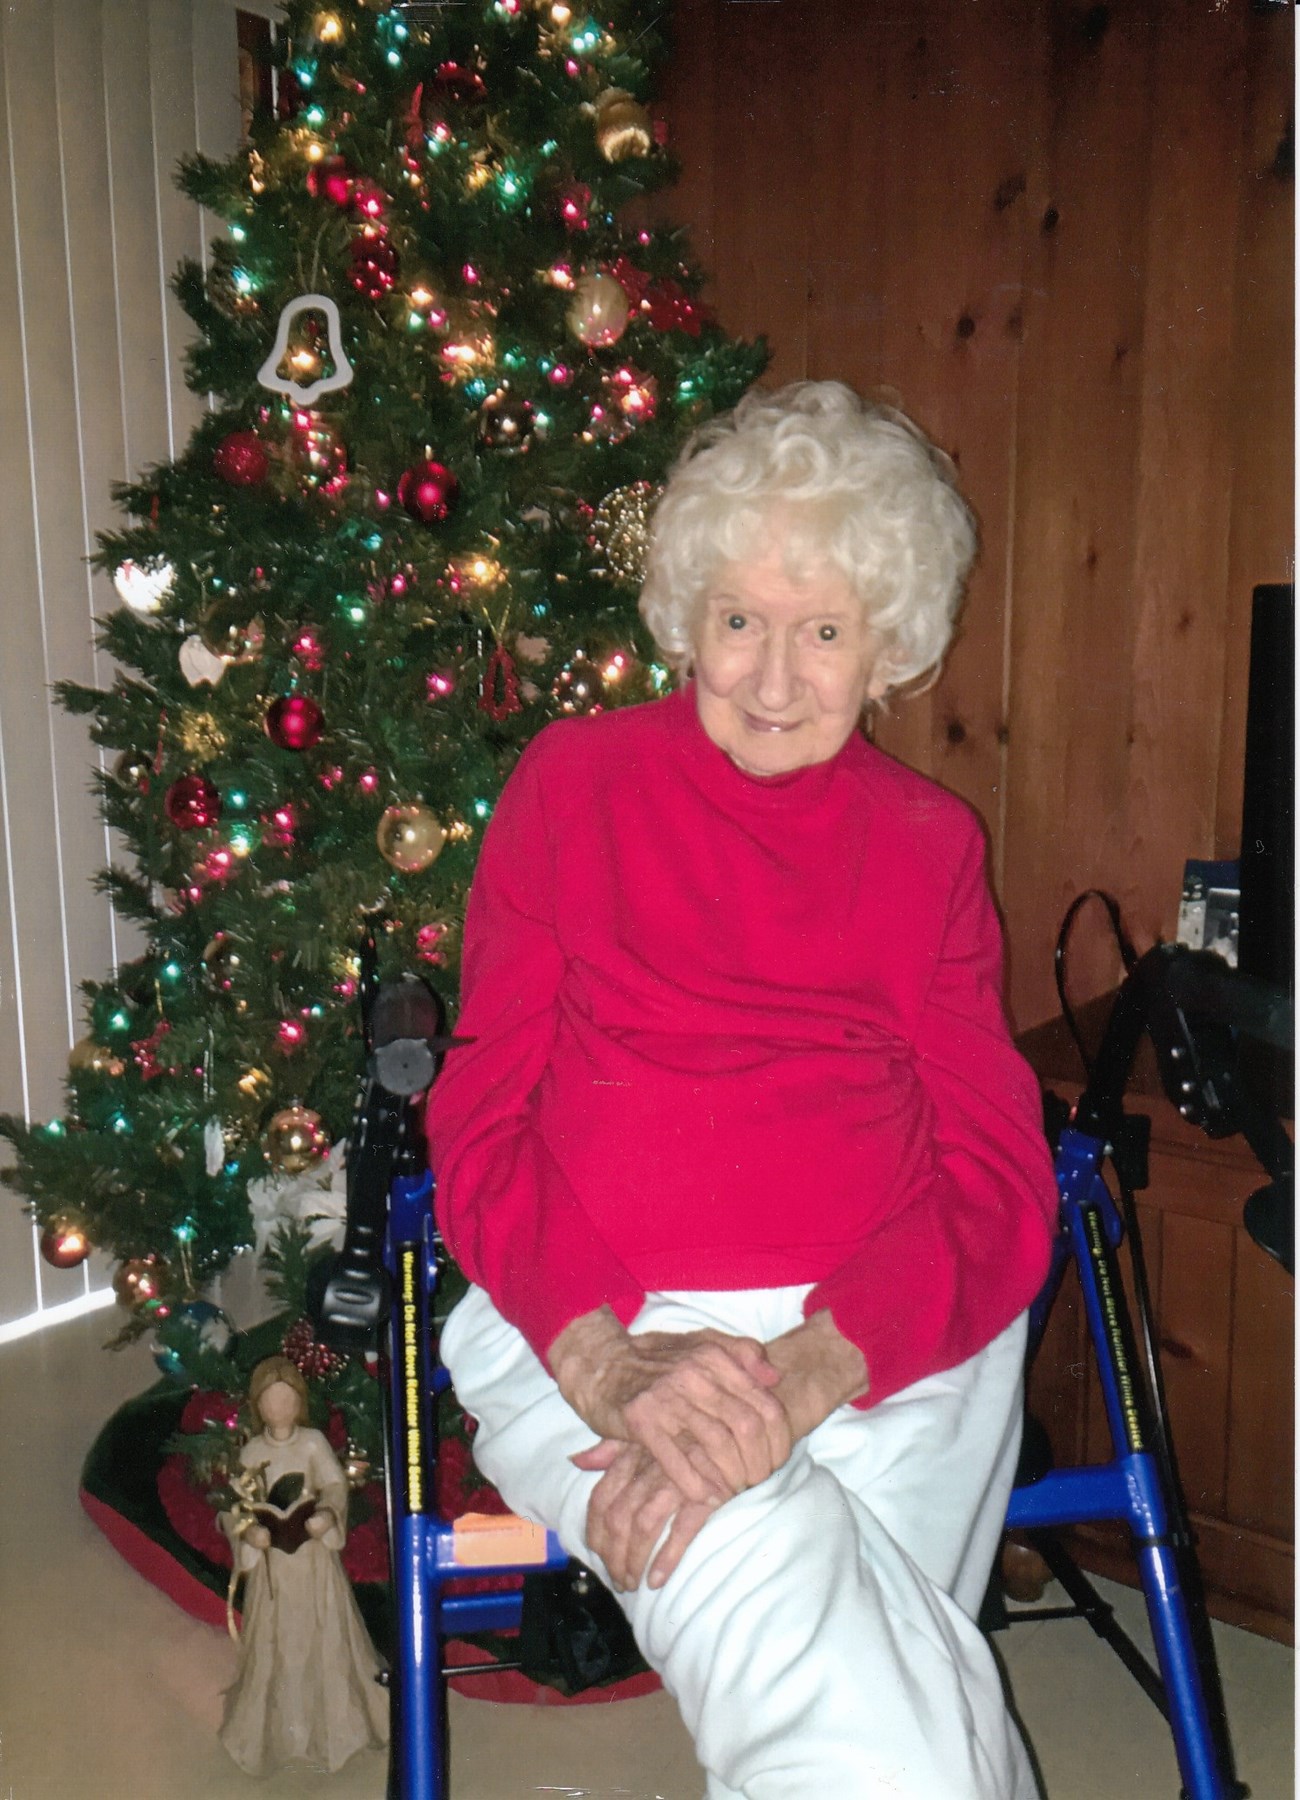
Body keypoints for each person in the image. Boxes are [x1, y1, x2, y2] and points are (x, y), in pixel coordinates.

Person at [427, 381, 1058, 1798]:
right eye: (739, 622)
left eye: (823, 632)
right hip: (585, 1315)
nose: (774, 680)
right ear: (684, 619)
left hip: (887, 1341)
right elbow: (480, 1117)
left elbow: (997, 1179)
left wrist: (806, 1374)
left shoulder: (927, 845)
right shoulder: (571, 787)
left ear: (888, 648)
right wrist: (606, 1365)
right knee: (874, 1724)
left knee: (857, 1706)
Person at [217, 1355, 388, 1775]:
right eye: (271, 1402)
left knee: (324, 1635)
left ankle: (339, 1727)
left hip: (313, 1562)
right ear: (259, 1407)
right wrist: (249, 1534)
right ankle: (278, 1731)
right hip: (274, 1570)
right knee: (277, 1645)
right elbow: (236, 1506)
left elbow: (333, 1484)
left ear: (299, 1403)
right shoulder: (253, 1451)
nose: (279, 1409)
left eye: (287, 1400)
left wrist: (327, 1513)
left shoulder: (312, 1443)